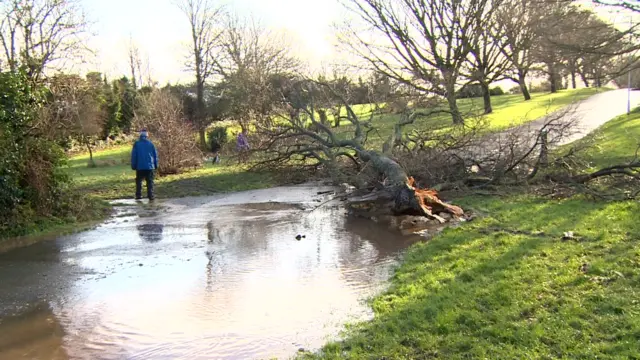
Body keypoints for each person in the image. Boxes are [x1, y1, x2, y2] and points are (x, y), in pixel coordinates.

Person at [131, 128, 158, 200]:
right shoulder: (151, 144)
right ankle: (151, 195)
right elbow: (155, 155)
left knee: (139, 181)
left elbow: (134, 156)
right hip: (149, 166)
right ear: (147, 135)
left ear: (140, 135)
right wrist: (155, 165)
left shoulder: (136, 144)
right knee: (150, 181)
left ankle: (138, 195)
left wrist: (134, 165)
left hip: (139, 166)